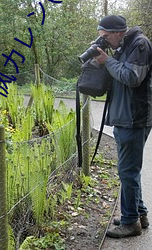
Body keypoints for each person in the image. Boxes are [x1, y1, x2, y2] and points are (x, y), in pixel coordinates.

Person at [94, 15, 152, 238]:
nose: (105, 41)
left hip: (134, 118)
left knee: (127, 171)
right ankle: (139, 214)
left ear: (118, 32)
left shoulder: (140, 44)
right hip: (124, 117)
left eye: (106, 37)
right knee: (129, 171)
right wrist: (104, 60)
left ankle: (130, 223)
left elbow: (131, 77)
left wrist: (107, 61)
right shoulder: (123, 46)